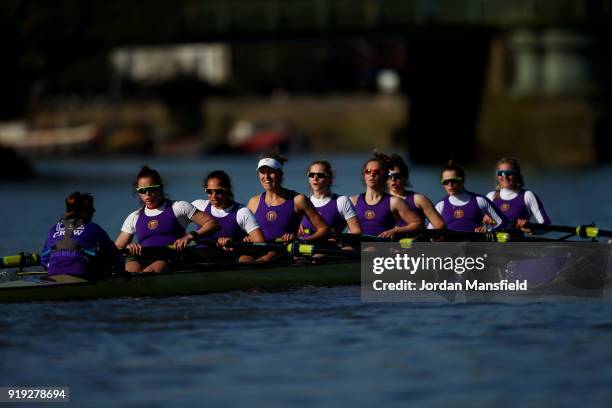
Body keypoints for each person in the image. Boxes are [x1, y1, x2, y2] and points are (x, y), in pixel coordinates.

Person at [115, 166, 219, 273]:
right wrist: (128, 246)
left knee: (149, 272)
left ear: (160, 188)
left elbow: (212, 223)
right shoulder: (134, 216)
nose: (147, 194)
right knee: (129, 270)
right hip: (142, 257)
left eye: (152, 189)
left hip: (170, 256)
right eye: (142, 190)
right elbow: (117, 247)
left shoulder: (179, 207)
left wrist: (190, 236)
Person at [247, 150, 330, 242]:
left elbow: (324, 229)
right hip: (258, 252)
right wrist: (246, 237)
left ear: (280, 174)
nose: (266, 176)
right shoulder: (253, 202)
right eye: (262, 172)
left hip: (284, 253)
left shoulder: (299, 200)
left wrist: (302, 241)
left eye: (271, 172)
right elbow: (241, 233)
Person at [41, 192, 122, 281]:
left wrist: (56, 268)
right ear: (85, 210)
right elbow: (115, 254)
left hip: (53, 273)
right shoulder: (94, 228)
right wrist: (120, 273)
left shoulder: (54, 228)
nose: (94, 210)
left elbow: (44, 259)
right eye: (91, 208)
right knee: (104, 252)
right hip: (80, 273)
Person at [192, 170, 268, 262]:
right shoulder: (199, 206)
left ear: (228, 190)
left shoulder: (242, 212)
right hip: (202, 256)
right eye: (209, 191)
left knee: (247, 260)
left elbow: (261, 244)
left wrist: (235, 245)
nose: (213, 196)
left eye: (218, 191)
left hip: (230, 256)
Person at [350, 153, 423, 237]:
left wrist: (395, 231)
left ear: (385, 176)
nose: (372, 174)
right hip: (356, 246)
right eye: (368, 171)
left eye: (377, 172)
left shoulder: (395, 202)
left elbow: (418, 223)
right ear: (364, 175)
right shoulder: (352, 201)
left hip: (382, 247)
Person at [435, 160, 508, 232]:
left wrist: (487, 230)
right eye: (445, 182)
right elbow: (431, 233)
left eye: (453, 181)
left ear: (462, 180)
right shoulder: (440, 206)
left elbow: (503, 223)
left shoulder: (479, 200)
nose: (450, 185)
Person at [383, 153, 446, 230]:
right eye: (389, 176)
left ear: (406, 177)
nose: (393, 179)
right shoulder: (381, 200)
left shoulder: (419, 199)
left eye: (397, 176)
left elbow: (440, 225)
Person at [299, 160, 362, 236]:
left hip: (331, 247)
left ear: (329, 179)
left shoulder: (341, 201)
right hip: (304, 246)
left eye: (320, 175)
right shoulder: (302, 202)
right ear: (309, 179)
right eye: (312, 175)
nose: (315, 178)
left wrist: (339, 238)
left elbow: (357, 232)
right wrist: (296, 228)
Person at [485, 157, 551, 229]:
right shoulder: (490, 197)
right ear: (498, 176)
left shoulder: (527, 196)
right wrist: (484, 220)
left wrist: (529, 229)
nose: (505, 177)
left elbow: (546, 224)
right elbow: (477, 224)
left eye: (509, 173)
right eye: (501, 173)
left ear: (517, 175)